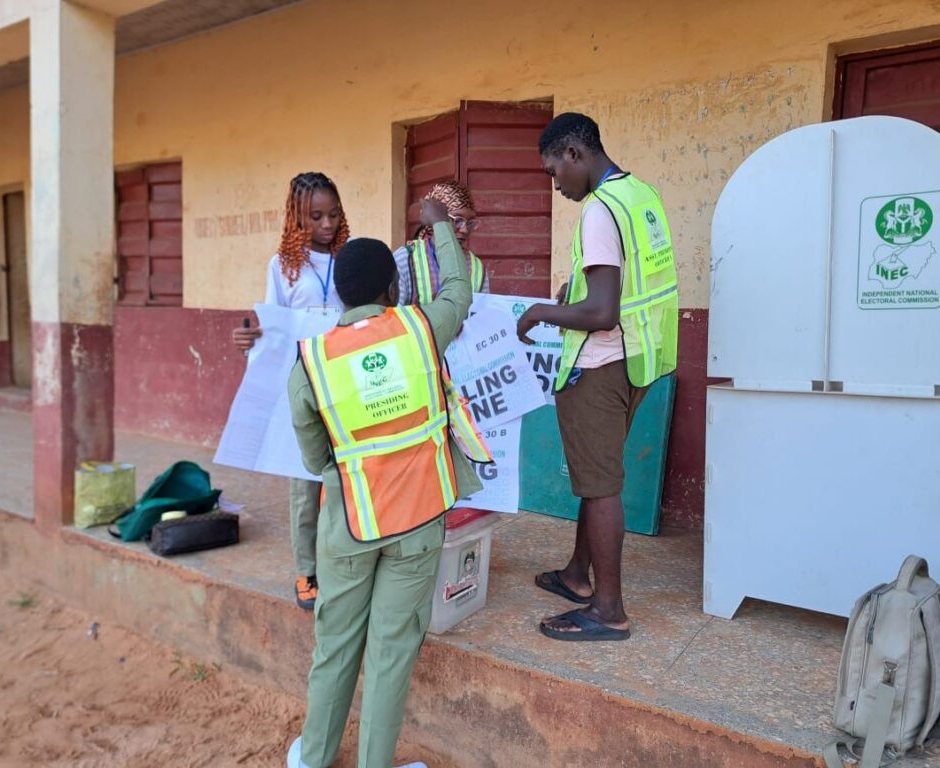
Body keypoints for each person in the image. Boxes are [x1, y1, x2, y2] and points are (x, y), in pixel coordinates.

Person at [286, 199, 481, 768]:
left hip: (350, 523)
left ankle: (315, 758)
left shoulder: (314, 360)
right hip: (418, 522)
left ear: (342, 296)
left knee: (335, 647)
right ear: (394, 286)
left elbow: (313, 455)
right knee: (393, 652)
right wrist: (442, 227)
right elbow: (458, 292)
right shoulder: (421, 329)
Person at [517, 112, 678, 642]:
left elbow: (603, 311)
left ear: (574, 156)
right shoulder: (641, 195)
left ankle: (607, 610)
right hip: (640, 361)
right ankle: (576, 576)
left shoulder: (598, 211)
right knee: (598, 476)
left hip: (602, 365)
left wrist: (542, 312)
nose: (555, 184)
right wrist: (575, 294)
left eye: (553, 171)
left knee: (599, 487)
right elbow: (625, 285)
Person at [231, 171, 350, 611]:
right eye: (315, 216)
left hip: (343, 383)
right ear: (295, 217)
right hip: (302, 385)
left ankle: (344, 562)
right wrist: (250, 339)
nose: (326, 224)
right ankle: (308, 568)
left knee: (346, 478)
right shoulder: (283, 266)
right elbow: (271, 326)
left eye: (333, 214)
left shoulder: (349, 257)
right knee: (304, 482)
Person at [394, 180, 488, 304]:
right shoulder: (406, 259)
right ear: (435, 219)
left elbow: (484, 316)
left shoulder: (477, 267)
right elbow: (394, 317)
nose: (465, 229)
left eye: (470, 223)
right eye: (457, 220)